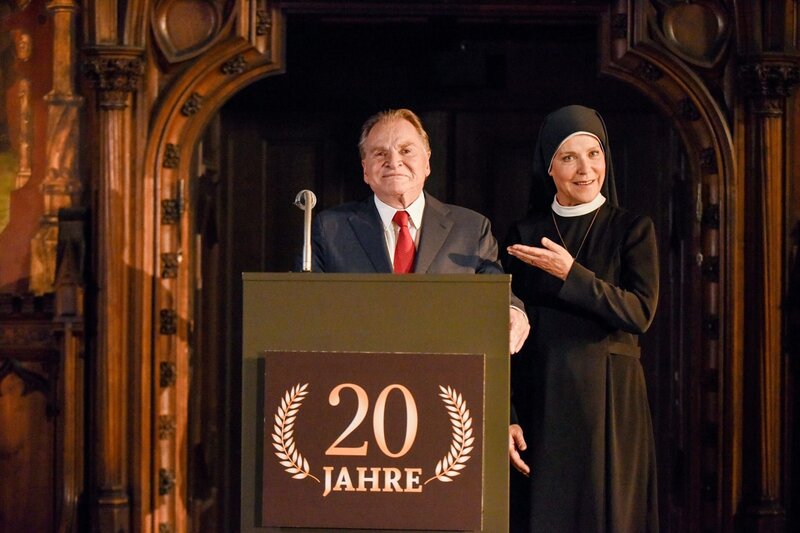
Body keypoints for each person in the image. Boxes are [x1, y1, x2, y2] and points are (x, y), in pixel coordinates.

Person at [505, 105, 659, 532]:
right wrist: (509, 411)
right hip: (543, 400)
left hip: (610, 403)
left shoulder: (632, 228)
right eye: (568, 157)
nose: (585, 169)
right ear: (548, 167)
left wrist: (572, 275)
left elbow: (639, 312)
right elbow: (506, 329)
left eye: (594, 154)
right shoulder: (524, 233)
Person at [309, 108, 529, 354]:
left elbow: (497, 293)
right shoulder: (331, 228)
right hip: (357, 373)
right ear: (365, 170)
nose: (394, 161)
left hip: (446, 372)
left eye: (406, 150)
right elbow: (299, 300)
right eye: (380, 153)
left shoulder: (471, 228)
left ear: (427, 162)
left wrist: (513, 311)